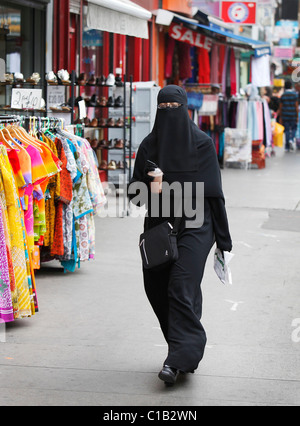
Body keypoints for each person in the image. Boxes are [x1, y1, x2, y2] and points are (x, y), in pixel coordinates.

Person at [128, 85, 232, 386]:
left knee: (180, 285)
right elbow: (135, 197)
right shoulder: (149, 145)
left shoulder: (202, 144)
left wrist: (224, 240)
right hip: (160, 227)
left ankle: (177, 359)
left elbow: (215, 194)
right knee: (158, 288)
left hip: (197, 225)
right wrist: (154, 187)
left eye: (175, 107)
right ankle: (182, 345)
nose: (170, 113)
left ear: (185, 109)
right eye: (164, 107)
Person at [278, 80, 298, 151]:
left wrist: (280, 117)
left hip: (285, 116)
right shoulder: (295, 95)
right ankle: (291, 139)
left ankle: (287, 147)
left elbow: (280, 107)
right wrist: (297, 116)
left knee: (286, 130)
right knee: (294, 129)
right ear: (291, 86)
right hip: (293, 115)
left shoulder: (283, 95)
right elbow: (296, 106)